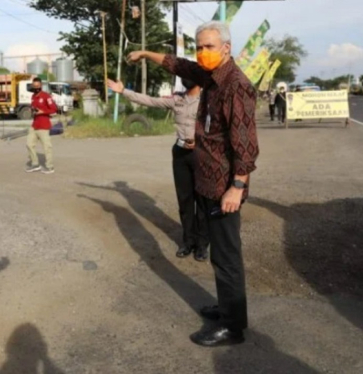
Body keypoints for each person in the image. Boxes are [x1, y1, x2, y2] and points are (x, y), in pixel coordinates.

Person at [128, 20, 259, 347]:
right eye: (199, 47)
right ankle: (226, 307)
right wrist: (145, 53)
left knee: (227, 257)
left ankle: (233, 328)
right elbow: (178, 64)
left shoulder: (236, 86)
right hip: (208, 180)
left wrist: (238, 186)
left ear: (226, 48)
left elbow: (246, 143)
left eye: (209, 47)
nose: (202, 53)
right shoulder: (211, 76)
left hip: (224, 187)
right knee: (219, 256)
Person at [106, 78, 209, 261]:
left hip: (201, 154)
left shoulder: (208, 100)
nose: (184, 78)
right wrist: (123, 91)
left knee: (202, 201)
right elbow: (150, 100)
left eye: (188, 74)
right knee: (185, 200)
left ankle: (202, 245)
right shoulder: (177, 100)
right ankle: (188, 241)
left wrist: (203, 143)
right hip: (180, 153)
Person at [26, 77, 57, 174]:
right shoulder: (33, 97)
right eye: (34, 86)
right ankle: (35, 164)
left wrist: (43, 112)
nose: (36, 88)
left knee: (47, 146)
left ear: (41, 86)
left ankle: (50, 166)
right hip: (34, 124)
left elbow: (54, 109)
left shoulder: (46, 96)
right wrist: (32, 111)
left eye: (38, 86)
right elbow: (33, 108)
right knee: (29, 144)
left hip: (43, 125)